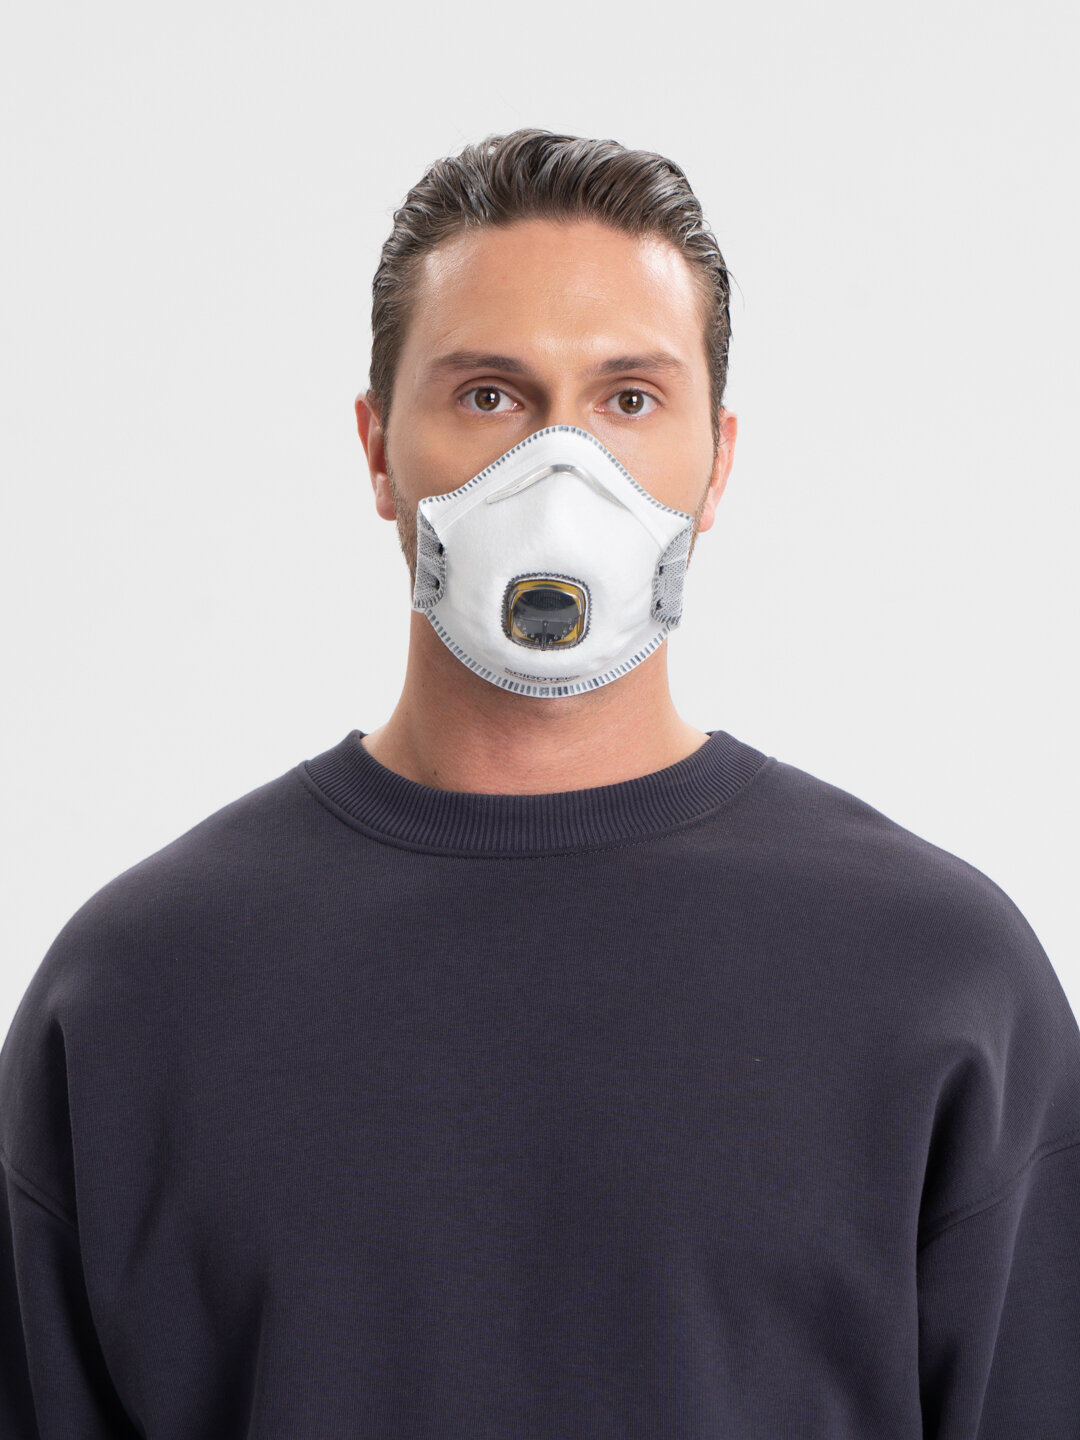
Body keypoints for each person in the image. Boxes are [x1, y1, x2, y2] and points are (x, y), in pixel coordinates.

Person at [1, 128, 1078, 1439]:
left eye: (629, 400)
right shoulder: (135, 993)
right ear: (378, 450)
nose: (561, 471)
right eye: (489, 396)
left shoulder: (943, 981)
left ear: (718, 463)